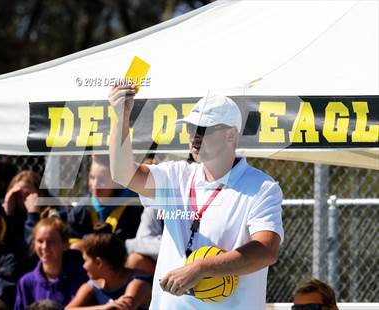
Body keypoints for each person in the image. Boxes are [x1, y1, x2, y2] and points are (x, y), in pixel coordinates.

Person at [108, 85, 284, 309]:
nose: (194, 136)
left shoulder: (262, 187)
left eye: (203, 129)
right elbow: (123, 173)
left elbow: (266, 251)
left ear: (231, 135)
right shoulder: (176, 175)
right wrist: (120, 117)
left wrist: (200, 268)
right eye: (191, 128)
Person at [66, 224, 151, 309]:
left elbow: (124, 308)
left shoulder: (138, 281)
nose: (84, 266)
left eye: (86, 260)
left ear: (98, 262)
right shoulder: (93, 285)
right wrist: (103, 307)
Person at [67, 155, 143, 246]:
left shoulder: (134, 210)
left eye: (102, 180)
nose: (95, 185)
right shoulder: (80, 212)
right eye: (92, 177)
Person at [14, 217, 88, 309]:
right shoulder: (26, 283)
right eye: (40, 241)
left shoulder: (81, 278)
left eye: (51, 241)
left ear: (65, 244)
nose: (44, 246)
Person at [2, 170, 44, 245]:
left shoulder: (51, 213)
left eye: (27, 195)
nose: (23, 200)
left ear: (40, 194)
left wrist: (33, 214)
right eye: (18, 196)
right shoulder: (14, 216)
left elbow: (32, 244)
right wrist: (8, 213)